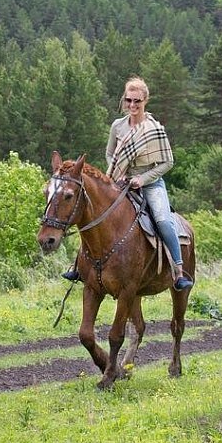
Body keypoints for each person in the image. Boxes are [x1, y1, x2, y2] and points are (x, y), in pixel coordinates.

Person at [63, 77, 193, 291]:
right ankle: (79, 266)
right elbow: (109, 153)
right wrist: (118, 171)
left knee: (162, 220)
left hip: (150, 184)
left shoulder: (154, 129)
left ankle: (178, 271)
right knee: (93, 215)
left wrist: (142, 179)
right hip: (119, 180)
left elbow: (168, 162)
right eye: (128, 100)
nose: (132, 105)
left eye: (137, 101)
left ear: (145, 101)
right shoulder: (118, 126)